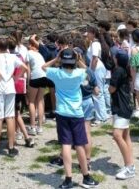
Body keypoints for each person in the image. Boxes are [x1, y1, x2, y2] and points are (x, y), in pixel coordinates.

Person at [43, 48, 98, 189]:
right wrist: (79, 59)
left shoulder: (57, 73)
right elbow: (90, 74)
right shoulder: (79, 73)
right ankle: (86, 176)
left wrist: (56, 59)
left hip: (62, 112)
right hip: (77, 113)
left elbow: (43, 67)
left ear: (63, 60)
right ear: (74, 61)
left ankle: (68, 179)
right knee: (79, 144)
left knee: (66, 145)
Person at [0, 36, 28, 158]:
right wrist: (16, 78)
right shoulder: (13, 57)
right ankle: (11, 147)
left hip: (0, 87)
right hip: (10, 86)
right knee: (10, 116)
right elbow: (25, 67)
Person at [109, 52, 135, 180]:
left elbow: (112, 89)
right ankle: (130, 164)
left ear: (117, 59)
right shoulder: (125, 70)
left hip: (121, 107)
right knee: (125, 136)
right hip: (126, 106)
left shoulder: (118, 70)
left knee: (117, 135)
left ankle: (129, 167)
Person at [8, 36, 34, 148]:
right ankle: (24, 136)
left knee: (12, 113)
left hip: (12, 85)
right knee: (16, 112)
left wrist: (14, 77)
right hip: (20, 85)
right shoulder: (20, 56)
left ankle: (17, 138)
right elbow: (25, 68)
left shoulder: (9, 58)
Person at [86, 26, 108, 123]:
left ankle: (101, 117)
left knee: (97, 92)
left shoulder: (95, 44)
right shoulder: (94, 43)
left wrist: (91, 71)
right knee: (99, 92)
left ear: (93, 33)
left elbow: (94, 58)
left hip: (97, 68)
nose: (87, 34)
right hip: (98, 68)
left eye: (89, 32)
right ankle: (102, 115)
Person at [26, 35, 46, 135]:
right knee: (40, 100)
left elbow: (28, 69)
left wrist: (28, 82)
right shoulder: (39, 53)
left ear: (31, 45)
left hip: (35, 77)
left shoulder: (28, 53)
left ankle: (32, 127)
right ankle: (40, 127)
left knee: (31, 102)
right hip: (44, 76)